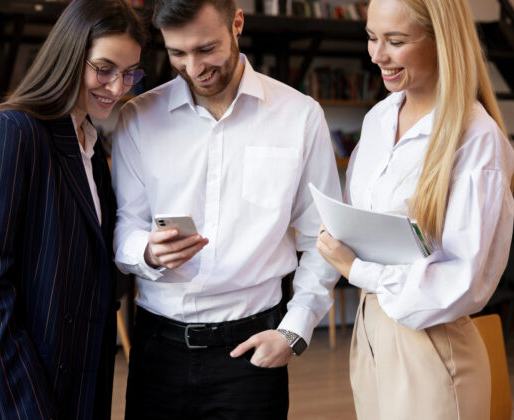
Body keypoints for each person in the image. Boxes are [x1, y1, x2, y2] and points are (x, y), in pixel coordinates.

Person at [111, 0, 342, 418]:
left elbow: (323, 239)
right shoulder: (138, 117)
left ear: (237, 23)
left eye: (206, 49)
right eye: (177, 53)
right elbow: (125, 224)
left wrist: (294, 331)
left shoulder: (300, 116)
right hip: (156, 351)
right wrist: (145, 250)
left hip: (253, 349)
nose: (194, 68)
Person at [0, 1, 146, 418]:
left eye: (130, 73)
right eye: (104, 69)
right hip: (9, 397)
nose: (118, 88)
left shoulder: (92, 148)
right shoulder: (13, 132)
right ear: (69, 54)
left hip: (75, 390)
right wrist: (31, 407)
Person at [316, 0, 514, 419]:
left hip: (431, 346)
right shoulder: (377, 120)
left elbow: (463, 281)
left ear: (441, 41)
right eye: (372, 37)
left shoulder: (477, 139)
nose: (377, 55)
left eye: (396, 41)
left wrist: (357, 270)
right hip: (370, 332)